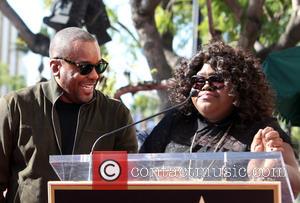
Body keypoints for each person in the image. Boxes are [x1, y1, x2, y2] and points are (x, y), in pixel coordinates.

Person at [140, 40, 300, 196]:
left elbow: (294, 181)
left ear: (239, 86)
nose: (206, 85)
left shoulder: (261, 128)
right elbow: (139, 168)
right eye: (198, 80)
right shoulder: (175, 119)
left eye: (217, 79)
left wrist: (272, 170)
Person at [0, 27, 137, 203]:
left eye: (99, 66)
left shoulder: (117, 115)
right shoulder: (16, 107)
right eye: (85, 68)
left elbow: (129, 185)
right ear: (56, 67)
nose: (95, 75)